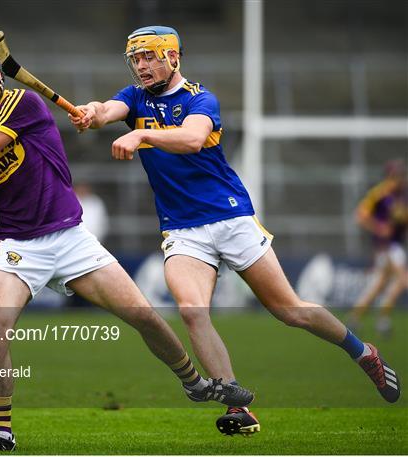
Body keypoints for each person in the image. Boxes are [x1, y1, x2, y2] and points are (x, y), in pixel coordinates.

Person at [0, 45, 255, 451]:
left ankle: (195, 383)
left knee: (146, 318)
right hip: (17, 245)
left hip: (70, 237)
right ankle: (2, 432)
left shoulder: (23, 103)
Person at [68, 25, 402, 436]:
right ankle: (238, 407)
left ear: (173, 57)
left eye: (149, 56)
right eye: (135, 59)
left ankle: (363, 352)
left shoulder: (201, 98)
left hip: (231, 219)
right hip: (183, 230)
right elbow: (106, 110)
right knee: (193, 311)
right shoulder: (134, 97)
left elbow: (191, 139)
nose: (141, 66)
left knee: (289, 310)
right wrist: (91, 112)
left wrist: (139, 133)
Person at [349, 160, 408, 336]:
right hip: (386, 246)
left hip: (395, 244)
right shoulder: (379, 194)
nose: (400, 179)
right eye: (396, 176)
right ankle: (382, 318)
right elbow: (360, 216)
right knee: (402, 277)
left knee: (380, 284)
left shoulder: (402, 195)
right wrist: (378, 227)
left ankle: (356, 317)